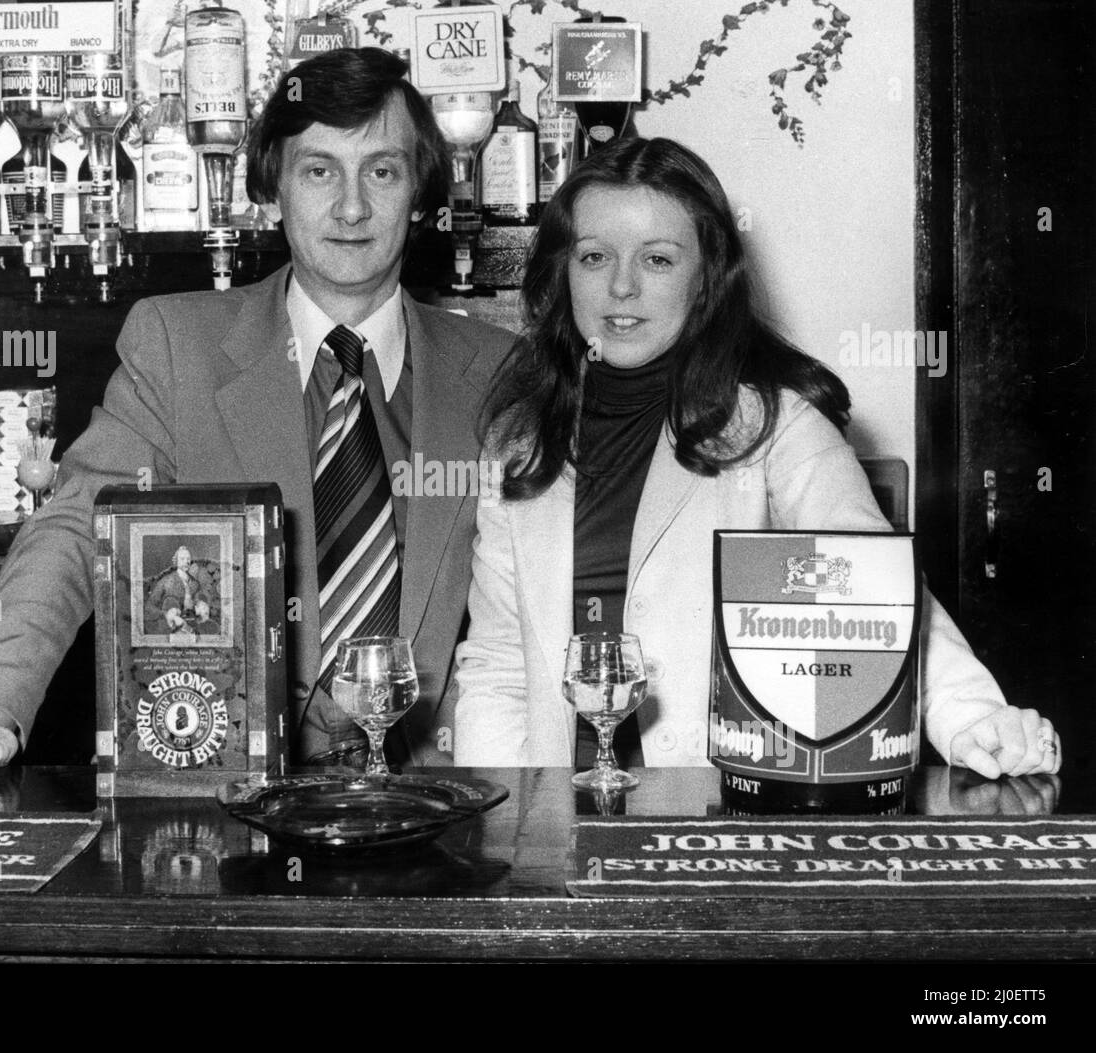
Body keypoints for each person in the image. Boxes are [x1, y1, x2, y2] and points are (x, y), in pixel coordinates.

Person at [0, 48, 514, 778]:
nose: (351, 206)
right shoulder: (177, 345)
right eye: (318, 170)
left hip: (431, 808)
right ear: (271, 190)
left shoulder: (496, 371)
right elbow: (75, 527)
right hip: (228, 801)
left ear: (421, 194)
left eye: (382, 170)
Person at [453, 137, 1061, 780]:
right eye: (595, 256)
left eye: (658, 260)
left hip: (720, 809)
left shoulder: (779, 427)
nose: (622, 286)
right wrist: (509, 821)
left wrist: (972, 718)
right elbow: (498, 664)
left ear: (706, 279)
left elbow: (872, 593)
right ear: (563, 271)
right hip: (563, 807)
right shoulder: (519, 444)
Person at [143, 546, 216, 638]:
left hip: (192, 628)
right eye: (182, 559)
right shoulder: (166, 581)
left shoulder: (195, 584)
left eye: (188, 559)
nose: (186, 561)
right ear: (176, 561)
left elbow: (198, 601)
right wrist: (166, 614)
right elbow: (148, 608)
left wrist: (202, 607)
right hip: (170, 629)